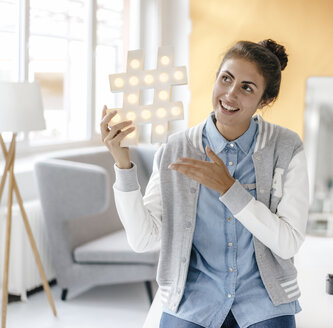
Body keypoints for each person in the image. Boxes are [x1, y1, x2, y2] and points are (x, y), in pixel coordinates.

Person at [100, 39, 309, 328]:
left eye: (247, 88)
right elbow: (143, 239)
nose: (230, 94)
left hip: (265, 299)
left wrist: (230, 190)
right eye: (226, 79)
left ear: (265, 101)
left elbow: (288, 243)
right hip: (194, 297)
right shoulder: (177, 149)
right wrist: (123, 165)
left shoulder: (286, 147)